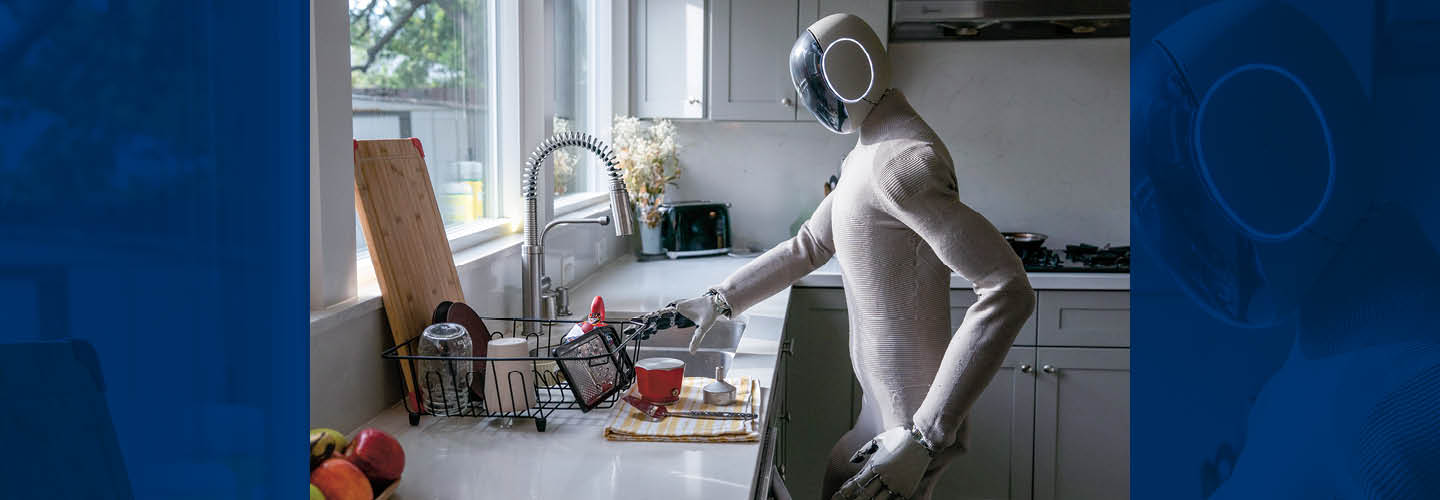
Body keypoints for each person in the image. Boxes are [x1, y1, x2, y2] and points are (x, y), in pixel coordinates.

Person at [653, 13, 1035, 500]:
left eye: (816, 86)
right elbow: (809, 245)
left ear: (851, 69)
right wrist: (719, 299)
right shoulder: (867, 155)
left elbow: (1008, 289)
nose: (815, 102)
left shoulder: (903, 163)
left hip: (908, 429)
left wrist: (923, 438)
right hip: (879, 414)